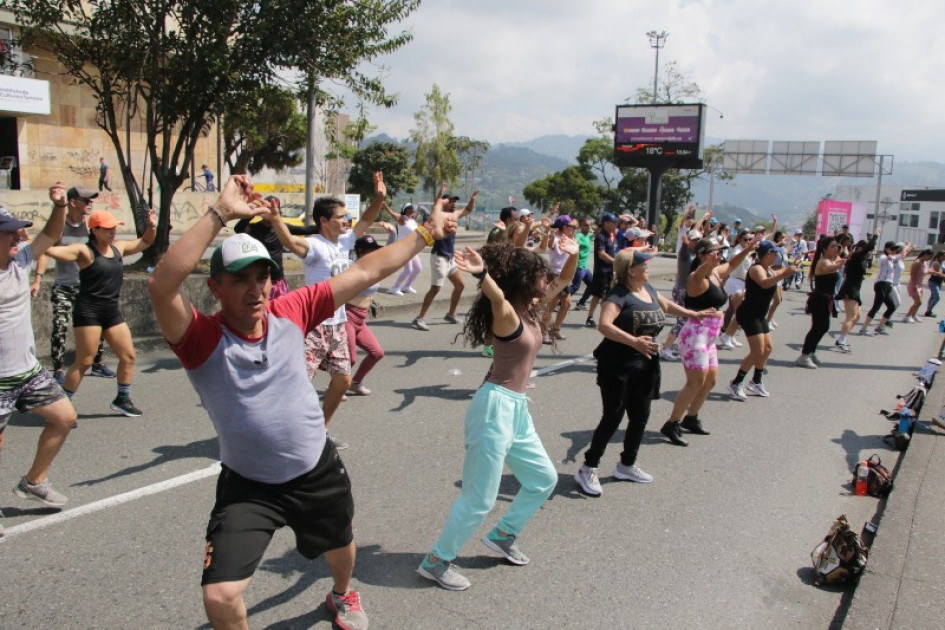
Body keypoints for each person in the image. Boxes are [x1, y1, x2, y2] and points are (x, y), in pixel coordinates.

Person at [148, 174, 456, 630]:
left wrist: (426, 234)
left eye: (262, 278)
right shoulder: (199, 338)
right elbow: (161, 286)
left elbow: (367, 271)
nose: (255, 290)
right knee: (220, 596)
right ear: (215, 289)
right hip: (248, 485)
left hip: (314, 467)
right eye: (239, 281)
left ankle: (342, 593)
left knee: (340, 545)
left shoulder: (289, 309)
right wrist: (218, 213)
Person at [417, 237, 579, 591]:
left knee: (543, 479)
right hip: (494, 408)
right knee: (479, 499)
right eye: (540, 274)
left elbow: (565, 280)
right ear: (524, 279)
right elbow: (496, 295)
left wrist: (576, 254)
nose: (546, 279)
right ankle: (436, 561)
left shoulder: (531, 311)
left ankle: (503, 534)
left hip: (516, 408)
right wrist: (482, 273)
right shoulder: (506, 314)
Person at [573, 249, 710, 498]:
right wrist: (634, 341)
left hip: (645, 364)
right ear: (631, 270)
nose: (648, 268)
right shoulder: (618, 295)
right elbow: (604, 325)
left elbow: (667, 306)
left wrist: (693, 314)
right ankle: (588, 468)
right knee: (613, 417)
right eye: (644, 265)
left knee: (640, 416)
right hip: (617, 366)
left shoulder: (650, 290)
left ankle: (626, 465)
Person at [270, 174, 386, 443]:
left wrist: (379, 198)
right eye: (341, 217)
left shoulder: (344, 242)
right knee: (298, 384)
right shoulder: (315, 247)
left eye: (347, 216)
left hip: (337, 323)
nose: (347, 221)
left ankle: (320, 430)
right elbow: (290, 242)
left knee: (343, 381)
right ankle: (279, 429)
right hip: (314, 325)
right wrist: (275, 217)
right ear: (324, 221)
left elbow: (366, 219)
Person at [1, 187, 77, 531]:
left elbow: (51, 234)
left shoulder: (20, 260)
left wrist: (60, 205)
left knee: (64, 417)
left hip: (27, 371)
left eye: (19, 229)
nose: (20, 235)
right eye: (11, 231)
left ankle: (34, 481)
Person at [42, 209, 156, 416]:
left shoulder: (118, 248)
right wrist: (37, 243)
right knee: (85, 360)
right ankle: (62, 405)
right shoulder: (85, 251)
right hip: (89, 312)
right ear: (95, 230)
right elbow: (55, 252)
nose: (113, 231)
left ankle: (122, 399)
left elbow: (145, 242)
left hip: (111, 311)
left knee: (128, 356)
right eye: (108, 228)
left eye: (114, 227)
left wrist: (152, 227)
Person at [660, 238, 755, 444]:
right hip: (695, 336)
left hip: (709, 339)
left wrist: (747, 249)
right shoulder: (696, 278)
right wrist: (707, 263)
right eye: (713, 253)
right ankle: (671, 423)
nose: (718, 256)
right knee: (694, 383)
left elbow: (732, 264)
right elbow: (697, 273)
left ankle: (691, 418)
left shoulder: (715, 274)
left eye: (719, 253)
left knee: (710, 381)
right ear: (703, 255)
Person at [32, 187, 115, 384]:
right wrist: (37, 279)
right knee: (59, 326)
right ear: (72, 202)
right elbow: (45, 251)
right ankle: (59, 369)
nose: (89, 204)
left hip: (88, 286)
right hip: (64, 285)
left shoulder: (90, 227)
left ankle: (98, 363)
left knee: (98, 325)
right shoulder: (60, 227)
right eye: (85, 201)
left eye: (90, 201)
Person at [727, 241, 796, 400]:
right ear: (766, 254)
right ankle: (736, 383)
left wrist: (788, 270)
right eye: (774, 254)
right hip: (749, 314)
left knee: (768, 348)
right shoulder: (756, 268)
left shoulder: (768, 269)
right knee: (757, 350)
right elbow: (764, 284)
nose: (776, 257)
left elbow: (774, 278)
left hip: (759, 315)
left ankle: (756, 381)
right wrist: (784, 274)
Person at [411, 190, 478, 331]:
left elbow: (468, 209)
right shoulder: (437, 216)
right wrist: (440, 195)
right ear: (443, 203)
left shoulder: (454, 215)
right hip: (439, 256)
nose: (454, 204)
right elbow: (436, 206)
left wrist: (472, 199)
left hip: (450, 257)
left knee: (460, 285)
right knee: (436, 288)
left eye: (455, 202)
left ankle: (451, 314)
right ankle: (419, 318)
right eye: (451, 201)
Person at [233, 195, 319, 299]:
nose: (269, 214)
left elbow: (305, 230)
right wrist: (252, 212)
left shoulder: (281, 228)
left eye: (273, 211)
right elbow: (238, 229)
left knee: (280, 313)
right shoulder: (253, 228)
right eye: (266, 211)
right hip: (259, 282)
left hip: (278, 281)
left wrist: (327, 224)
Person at [344, 235, 387, 396]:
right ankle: (335, 387)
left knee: (377, 353)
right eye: (370, 251)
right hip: (347, 316)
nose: (373, 254)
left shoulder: (375, 268)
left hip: (361, 319)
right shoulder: (350, 267)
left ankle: (355, 383)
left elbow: (394, 254)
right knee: (350, 358)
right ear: (360, 252)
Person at [794, 236, 845, 368]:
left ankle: (811, 351)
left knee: (824, 327)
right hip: (820, 299)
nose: (836, 249)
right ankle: (804, 355)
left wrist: (842, 257)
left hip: (826, 299)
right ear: (824, 249)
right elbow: (830, 268)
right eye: (833, 246)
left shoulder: (831, 259)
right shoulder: (823, 262)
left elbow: (838, 261)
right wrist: (842, 262)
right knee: (817, 328)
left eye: (837, 246)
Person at [834, 230, 880, 352]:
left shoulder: (859, 258)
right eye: (866, 250)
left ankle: (843, 338)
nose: (868, 253)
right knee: (851, 316)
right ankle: (841, 340)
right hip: (850, 288)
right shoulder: (857, 256)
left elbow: (869, 251)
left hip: (855, 289)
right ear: (861, 248)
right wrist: (876, 235)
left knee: (857, 316)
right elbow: (869, 247)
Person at [540, 215, 579, 343]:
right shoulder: (556, 239)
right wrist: (551, 234)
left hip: (565, 276)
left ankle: (555, 328)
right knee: (551, 304)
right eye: (571, 227)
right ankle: (544, 331)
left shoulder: (571, 240)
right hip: (555, 275)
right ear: (564, 227)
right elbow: (550, 245)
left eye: (574, 228)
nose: (573, 230)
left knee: (566, 304)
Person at [859, 242, 909, 336]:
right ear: (886, 248)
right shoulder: (883, 257)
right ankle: (863, 329)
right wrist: (893, 256)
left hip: (888, 285)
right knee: (876, 307)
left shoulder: (893, 258)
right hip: (881, 284)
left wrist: (906, 248)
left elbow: (901, 255)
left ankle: (880, 327)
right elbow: (887, 258)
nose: (894, 251)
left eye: (895, 249)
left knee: (892, 306)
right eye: (892, 249)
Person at [584, 212, 618, 328]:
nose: (615, 224)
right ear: (606, 223)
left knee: (605, 295)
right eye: (613, 222)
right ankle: (592, 318)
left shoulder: (609, 236)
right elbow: (601, 254)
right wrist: (615, 261)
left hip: (608, 271)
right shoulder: (601, 237)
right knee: (599, 295)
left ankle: (602, 318)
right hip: (601, 271)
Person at [387, 203, 422, 295]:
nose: (411, 210)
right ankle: (394, 288)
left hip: (412, 248)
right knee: (408, 270)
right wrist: (384, 205)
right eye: (409, 208)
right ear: (405, 209)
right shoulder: (402, 218)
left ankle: (407, 286)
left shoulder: (412, 220)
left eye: (412, 208)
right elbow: (391, 212)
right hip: (403, 248)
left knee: (418, 268)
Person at [570, 217, 595, 309]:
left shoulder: (589, 235)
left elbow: (596, 234)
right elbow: (575, 243)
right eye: (586, 225)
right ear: (580, 226)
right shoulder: (579, 236)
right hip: (579, 265)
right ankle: (560, 301)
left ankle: (581, 303)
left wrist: (593, 230)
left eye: (589, 225)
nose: (588, 227)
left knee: (592, 285)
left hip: (585, 266)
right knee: (576, 286)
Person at [905, 249, 933, 323]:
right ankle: (907, 316)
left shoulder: (925, 262)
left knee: (919, 302)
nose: (930, 258)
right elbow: (912, 275)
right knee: (918, 302)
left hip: (920, 284)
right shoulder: (917, 262)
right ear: (925, 254)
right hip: (914, 284)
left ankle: (913, 315)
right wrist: (915, 286)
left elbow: (926, 271)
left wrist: (935, 273)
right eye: (929, 256)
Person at [924, 251, 945, 318]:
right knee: (937, 297)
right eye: (944, 255)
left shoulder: (943, 263)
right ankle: (928, 311)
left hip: (939, 282)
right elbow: (939, 274)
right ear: (940, 256)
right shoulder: (936, 263)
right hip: (933, 282)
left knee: (933, 297)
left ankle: (928, 310)